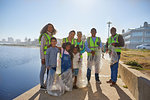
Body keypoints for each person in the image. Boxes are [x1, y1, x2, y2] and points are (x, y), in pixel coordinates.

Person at [39, 23, 56, 89]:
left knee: (49, 70)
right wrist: (42, 58)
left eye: (51, 27)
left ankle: (47, 83)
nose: (50, 28)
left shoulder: (51, 36)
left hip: (50, 57)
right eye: (49, 27)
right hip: (45, 56)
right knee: (43, 70)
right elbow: (41, 48)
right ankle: (42, 85)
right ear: (46, 28)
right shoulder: (44, 36)